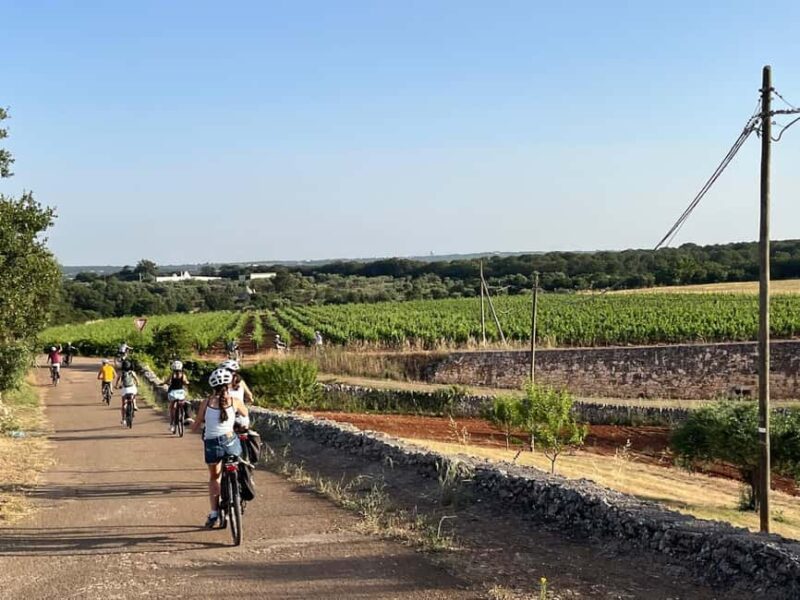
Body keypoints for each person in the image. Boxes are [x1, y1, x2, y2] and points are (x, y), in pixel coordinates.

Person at [191, 368, 249, 528]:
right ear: (229, 385)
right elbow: (245, 413)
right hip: (230, 443)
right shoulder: (234, 401)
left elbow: (195, 426)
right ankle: (238, 488)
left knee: (214, 477)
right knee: (238, 461)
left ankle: (214, 513)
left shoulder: (206, 403)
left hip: (212, 444)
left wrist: (193, 424)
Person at [167, 360, 190, 433]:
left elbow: (168, 381)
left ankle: (172, 424)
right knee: (184, 401)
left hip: (172, 392)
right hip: (180, 392)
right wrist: (187, 383)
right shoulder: (183, 375)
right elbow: (186, 382)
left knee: (171, 407)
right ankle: (185, 415)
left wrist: (163, 383)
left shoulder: (172, 375)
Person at [114, 360, 140, 425]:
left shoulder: (121, 373)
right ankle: (135, 405)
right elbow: (137, 380)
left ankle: (123, 419)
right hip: (132, 388)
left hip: (125, 389)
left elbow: (117, 381)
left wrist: (116, 386)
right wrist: (138, 384)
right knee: (134, 395)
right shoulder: (132, 372)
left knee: (123, 404)